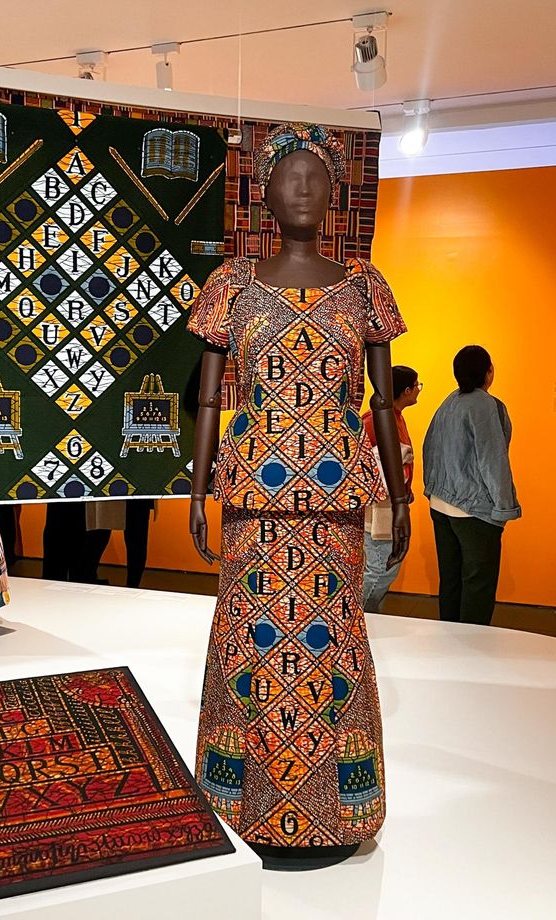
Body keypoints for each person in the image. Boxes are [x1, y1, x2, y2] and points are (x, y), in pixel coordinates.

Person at [187, 124, 409, 870]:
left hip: (337, 508)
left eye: (317, 176)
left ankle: (339, 811)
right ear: (265, 194)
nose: (304, 188)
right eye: (289, 177)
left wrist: (401, 499)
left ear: (336, 193)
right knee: (245, 645)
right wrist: (197, 489)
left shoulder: (364, 288)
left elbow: (382, 402)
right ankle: (235, 803)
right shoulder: (231, 288)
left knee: (335, 650)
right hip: (253, 502)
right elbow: (210, 403)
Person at [423, 345, 520, 626]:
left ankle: (451, 644)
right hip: (474, 511)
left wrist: (431, 489)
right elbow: (493, 459)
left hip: (441, 505)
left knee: (451, 580)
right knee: (478, 586)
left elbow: (430, 447)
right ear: (489, 372)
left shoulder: (449, 402)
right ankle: (472, 653)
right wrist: (504, 507)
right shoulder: (485, 405)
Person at [362, 366, 421, 611]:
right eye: (417, 385)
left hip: (391, 502)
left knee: (383, 564)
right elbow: (369, 463)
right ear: (406, 390)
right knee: (381, 567)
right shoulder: (375, 420)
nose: (419, 389)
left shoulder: (393, 416)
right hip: (379, 507)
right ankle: (359, 615)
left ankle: (369, 617)